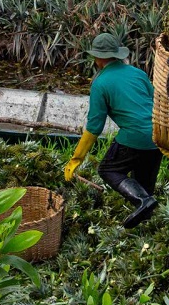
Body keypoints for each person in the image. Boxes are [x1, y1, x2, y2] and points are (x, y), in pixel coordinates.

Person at [64, 33, 161, 229]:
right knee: (143, 187)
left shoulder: (100, 83)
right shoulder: (138, 73)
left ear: (97, 58)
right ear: (117, 54)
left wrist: (76, 159)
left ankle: (142, 201)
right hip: (158, 136)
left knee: (109, 169)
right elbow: (156, 103)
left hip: (133, 135)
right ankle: (146, 224)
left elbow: (94, 127)